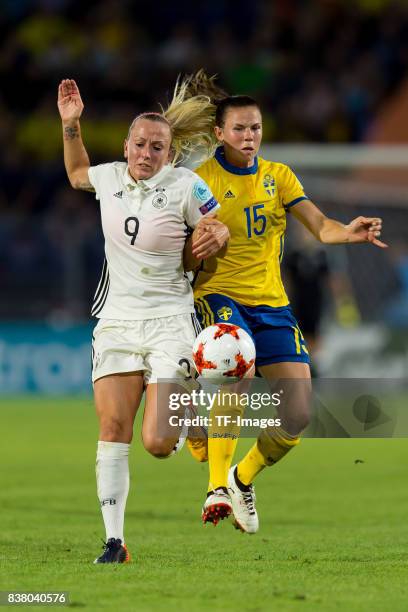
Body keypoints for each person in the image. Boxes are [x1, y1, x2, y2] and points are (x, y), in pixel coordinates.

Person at [166, 71, 387, 533]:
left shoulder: (278, 177)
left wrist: (349, 232)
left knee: (300, 413)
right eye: (240, 128)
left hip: (272, 304)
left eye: (256, 128)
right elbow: (180, 250)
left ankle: (241, 478)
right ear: (219, 134)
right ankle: (215, 488)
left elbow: (321, 225)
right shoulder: (199, 180)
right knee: (235, 365)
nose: (250, 136)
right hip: (219, 296)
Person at [57, 78, 229, 562]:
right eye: (139, 145)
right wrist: (71, 125)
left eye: (157, 147)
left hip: (170, 322)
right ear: (126, 146)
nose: (146, 154)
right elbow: (75, 175)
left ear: (171, 154)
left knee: (156, 443)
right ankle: (114, 542)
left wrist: (214, 238)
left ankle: (189, 412)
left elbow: (217, 227)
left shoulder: (184, 185)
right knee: (112, 428)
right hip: (116, 323)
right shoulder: (109, 178)